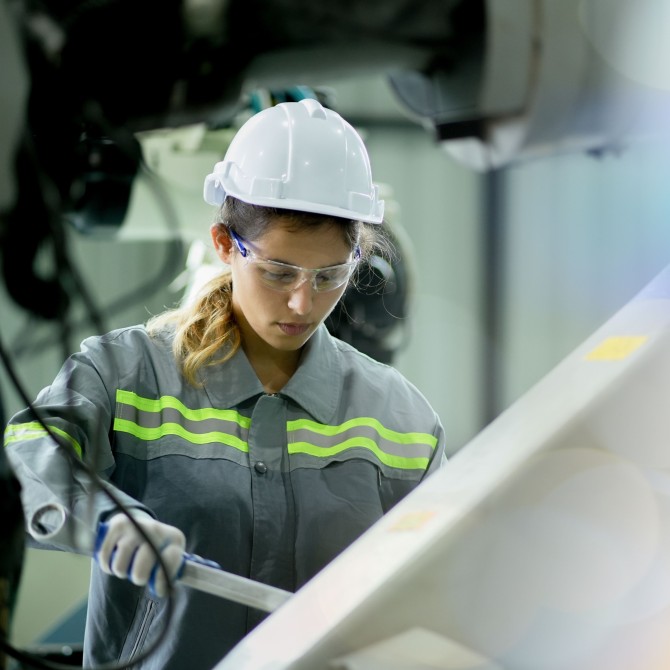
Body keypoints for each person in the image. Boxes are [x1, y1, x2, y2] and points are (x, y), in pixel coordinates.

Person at [4, 98, 447, 669]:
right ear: (223, 244)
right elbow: (27, 460)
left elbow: (443, 582)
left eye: (330, 275)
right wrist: (106, 518)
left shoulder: (402, 420)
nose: (302, 302)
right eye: (278, 272)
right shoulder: (124, 373)